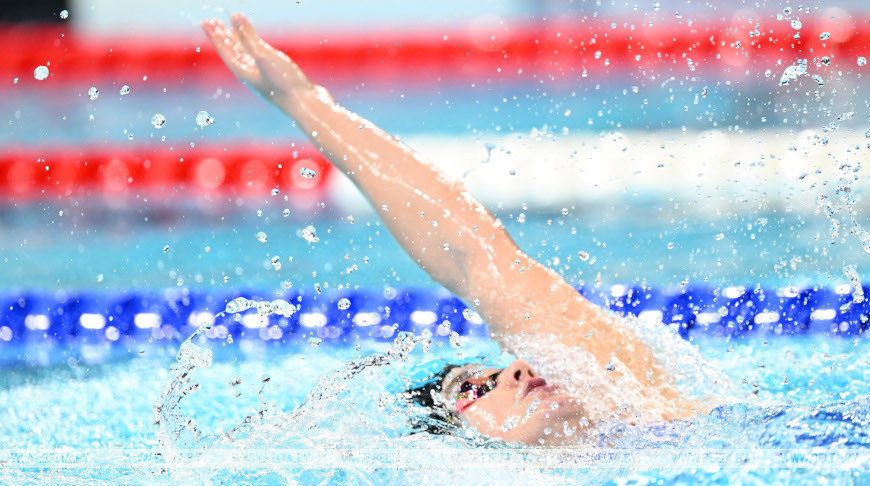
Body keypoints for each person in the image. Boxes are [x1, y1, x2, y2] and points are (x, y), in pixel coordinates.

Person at [202, 14, 701, 446]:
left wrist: (306, 102)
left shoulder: (642, 401)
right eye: (473, 390)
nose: (520, 369)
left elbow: (473, 252)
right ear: (462, 446)